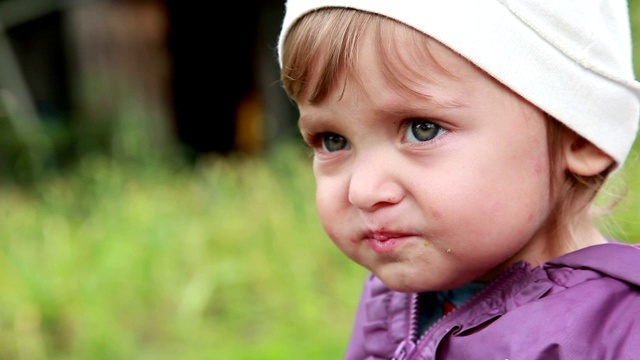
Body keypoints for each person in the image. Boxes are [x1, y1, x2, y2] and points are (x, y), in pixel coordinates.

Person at [277, 1, 640, 359]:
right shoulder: (393, 303)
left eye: (423, 129)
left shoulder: (618, 334)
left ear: (581, 136)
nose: (363, 191)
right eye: (332, 140)